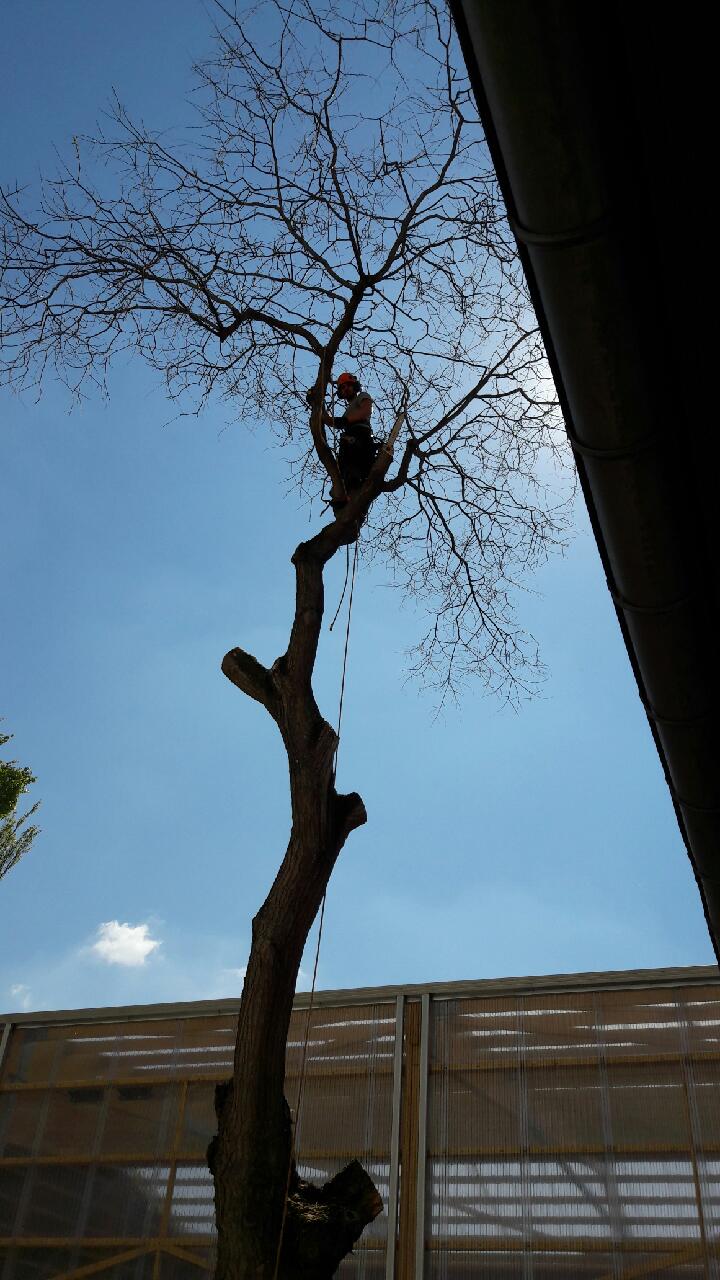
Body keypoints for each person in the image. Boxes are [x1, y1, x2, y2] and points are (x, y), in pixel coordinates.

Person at [330, 372, 377, 504]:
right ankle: (344, 495)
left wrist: (344, 421)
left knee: (351, 457)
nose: (345, 389)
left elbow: (366, 411)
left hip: (361, 438)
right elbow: (330, 421)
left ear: (354, 386)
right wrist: (315, 405)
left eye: (348, 386)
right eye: (342, 388)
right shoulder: (347, 412)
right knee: (343, 468)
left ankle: (352, 482)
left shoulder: (362, 396)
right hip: (349, 445)